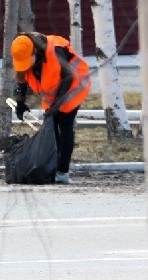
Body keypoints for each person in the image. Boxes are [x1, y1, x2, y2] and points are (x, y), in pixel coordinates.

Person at [10, 32, 91, 184]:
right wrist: (20, 102)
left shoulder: (56, 50)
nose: (27, 65)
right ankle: (51, 167)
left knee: (64, 125)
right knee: (51, 128)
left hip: (74, 86)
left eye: (29, 61)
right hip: (52, 92)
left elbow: (68, 78)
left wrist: (57, 104)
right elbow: (21, 79)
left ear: (34, 51)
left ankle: (62, 172)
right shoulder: (21, 48)